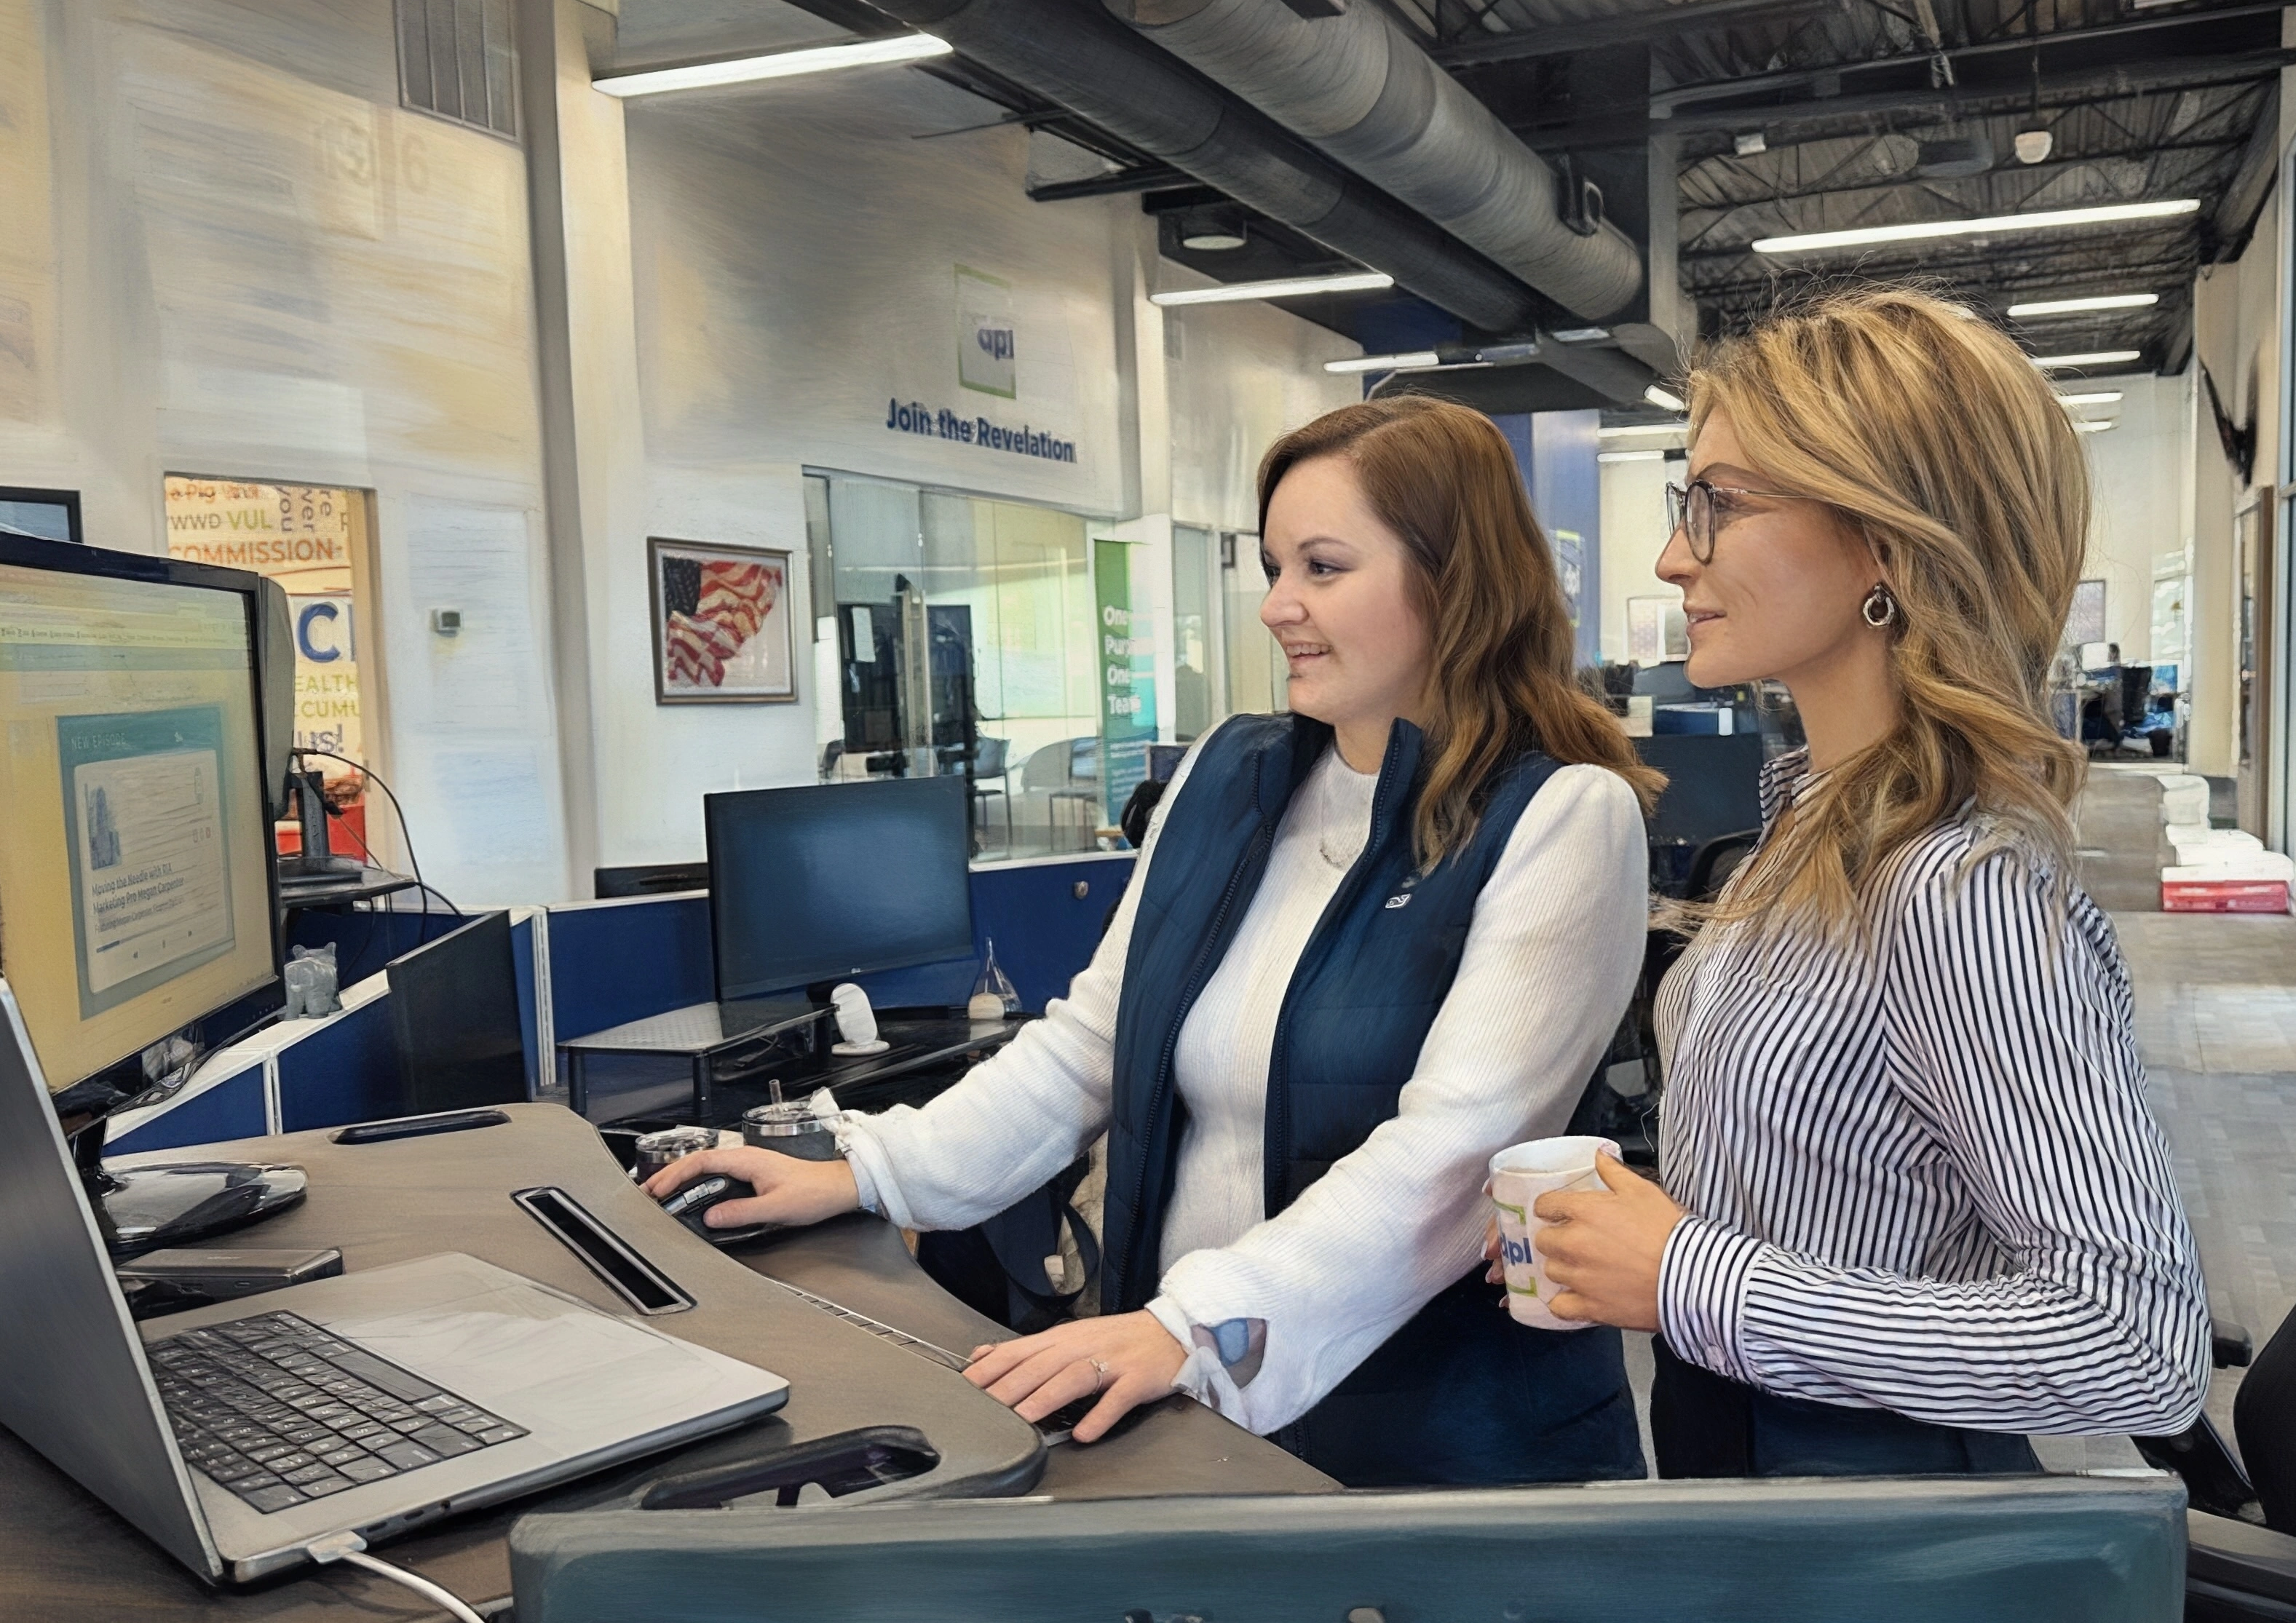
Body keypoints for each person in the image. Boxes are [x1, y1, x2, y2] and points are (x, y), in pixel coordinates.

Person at [649, 395, 1661, 1486]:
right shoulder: (1233, 774)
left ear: (1451, 580)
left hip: (1437, 1445)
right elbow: (1094, 1039)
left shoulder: (1561, 818)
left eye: (1322, 567)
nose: (1278, 606)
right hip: (1196, 1404)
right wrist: (871, 1168)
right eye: (1272, 568)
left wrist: (1195, 1324)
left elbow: (1452, 1154)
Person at [1527, 285, 2211, 1477]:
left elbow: (2132, 1337)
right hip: (1754, 1478)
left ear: (1884, 544)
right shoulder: (1809, 831)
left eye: (1718, 503)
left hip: (1871, 1520)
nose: (1671, 552)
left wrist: (1686, 1272)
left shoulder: (1957, 887)